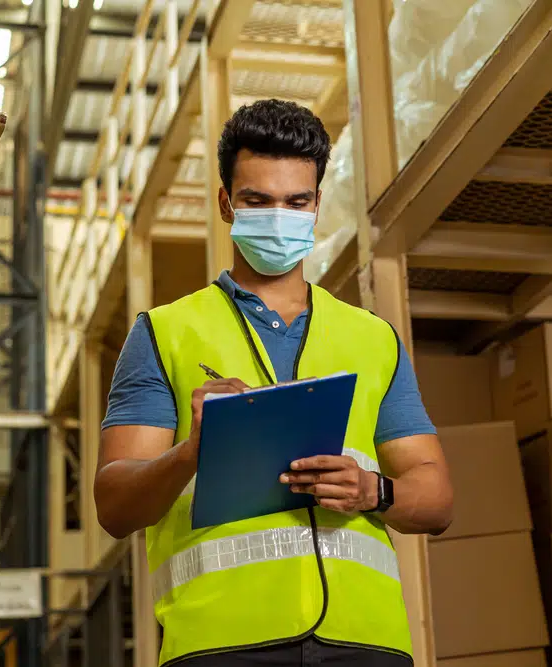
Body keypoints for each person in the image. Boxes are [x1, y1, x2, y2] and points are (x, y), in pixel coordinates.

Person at [95, 99, 454, 667]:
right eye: (258, 201)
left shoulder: (373, 338)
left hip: (365, 641)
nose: (279, 217)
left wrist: (373, 491)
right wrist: (192, 452)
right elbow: (114, 505)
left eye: (296, 201)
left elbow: (435, 499)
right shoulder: (165, 333)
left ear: (317, 205)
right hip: (219, 643)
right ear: (225, 203)